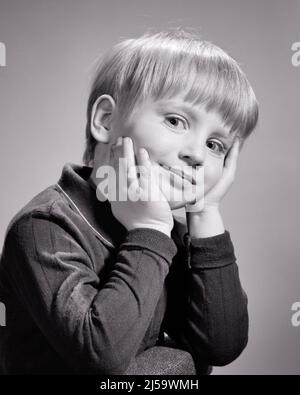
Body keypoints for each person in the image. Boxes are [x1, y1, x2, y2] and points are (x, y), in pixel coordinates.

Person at [0, 29, 259, 375]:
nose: (197, 153)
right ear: (106, 120)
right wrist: (149, 231)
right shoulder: (44, 227)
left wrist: (205, 212)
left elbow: (221, 346)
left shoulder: (178, 230)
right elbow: (101, 358)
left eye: (216, 145)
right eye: (175, 120)